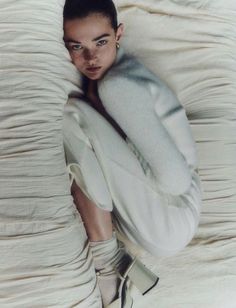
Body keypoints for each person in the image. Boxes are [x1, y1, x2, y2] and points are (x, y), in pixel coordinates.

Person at [63, 0, 202, 307]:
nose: (90, 57)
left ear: (119, 34)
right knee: (80, 167)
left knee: (71, 115)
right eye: (76, 46)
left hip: (172, 215)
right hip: (160, 218)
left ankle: (109, 266)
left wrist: (112, 129)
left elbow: (175, 181)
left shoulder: (118, 86)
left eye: (101, 42)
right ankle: (115, 264)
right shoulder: (113, 80)